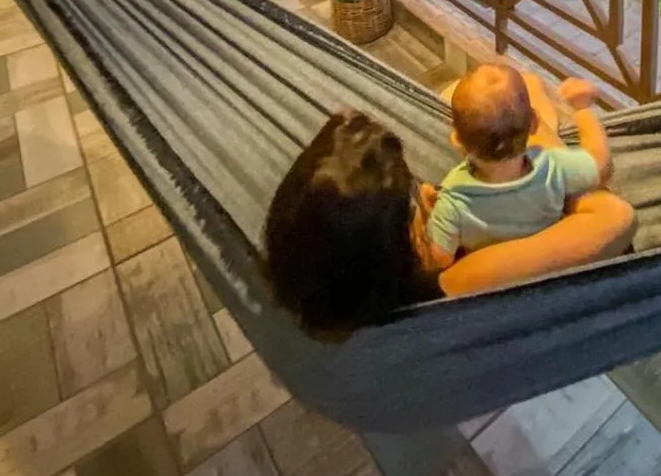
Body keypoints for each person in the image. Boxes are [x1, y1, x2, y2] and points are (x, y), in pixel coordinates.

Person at [264, 95, 635, 334]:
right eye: (412, 205)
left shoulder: (309, 268)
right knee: (524, 98)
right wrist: (537, 166)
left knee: (511, 96)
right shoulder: (459, 280)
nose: (428, 192)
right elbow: (615, 218)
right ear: (384, 250)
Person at [424, 62, 612, 268]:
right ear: (533, 123)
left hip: (500, 277)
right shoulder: (553, 167)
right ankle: (535, 86)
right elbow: (602, 165)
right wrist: (582, 109)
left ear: (456, 140)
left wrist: (429, 215)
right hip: (550, 263)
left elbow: (440, 258)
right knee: (533, 83)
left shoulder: (452, 199)